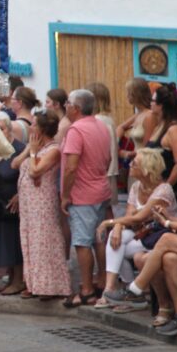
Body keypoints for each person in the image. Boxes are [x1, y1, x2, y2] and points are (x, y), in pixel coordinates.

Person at [106, 157, 177, 335]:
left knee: (166, 240)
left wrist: (169, 224)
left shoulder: (164, 189)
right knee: (169, 259)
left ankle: (136, 288)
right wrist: (167, 218)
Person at [93, 148, 177, 309]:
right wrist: (118, 225)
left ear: (146, 169)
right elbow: (129, 215)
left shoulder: (163, 190)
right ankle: (112, 289)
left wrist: (109, 222)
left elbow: (139, 217)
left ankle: (129, 292)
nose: (130, 164)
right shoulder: (137, 186)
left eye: (135, 163)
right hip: (141, 234)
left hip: (158, 236)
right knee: (116, 238)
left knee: (118, 246)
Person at [12, 110, 72, 299]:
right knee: (29, 241)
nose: (31, 127)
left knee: (44, 241)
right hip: (29, 203)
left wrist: (33, 152)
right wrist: (30, 149)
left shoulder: (54, 150)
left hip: (43, 202)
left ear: (43, 129)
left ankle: (51, 286)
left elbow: (35, 171)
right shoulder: (33, 145)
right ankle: (33, 283)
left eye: (35, 124)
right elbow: (15, 164)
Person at [61, 89, 112, 308]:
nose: (65, 106)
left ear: (77, 108)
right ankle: (101, 280)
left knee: (82, 242)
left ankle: (87, 289)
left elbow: (71, 167)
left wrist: (65, 195)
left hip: (83, 194)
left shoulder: (76, 130)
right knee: (98, 239)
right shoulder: (101, 125)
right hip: (100, 189)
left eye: (68, 103)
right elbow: (108, 157)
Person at [0, 112, 26, 295]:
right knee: (3, 242)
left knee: (15, 242)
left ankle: (19, 280)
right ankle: (11, 277)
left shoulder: (19, 149)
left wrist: (20, 195)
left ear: (9, 129)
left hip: (14, 202)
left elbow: (26, 174)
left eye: (2, 128)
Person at [146, 84, 177, 212]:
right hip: (154, 189)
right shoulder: (159, 125)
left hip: (169, 194)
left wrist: (166, 186)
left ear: (161, 105)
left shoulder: (174, 129)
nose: (150, 103)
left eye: (153, 100)